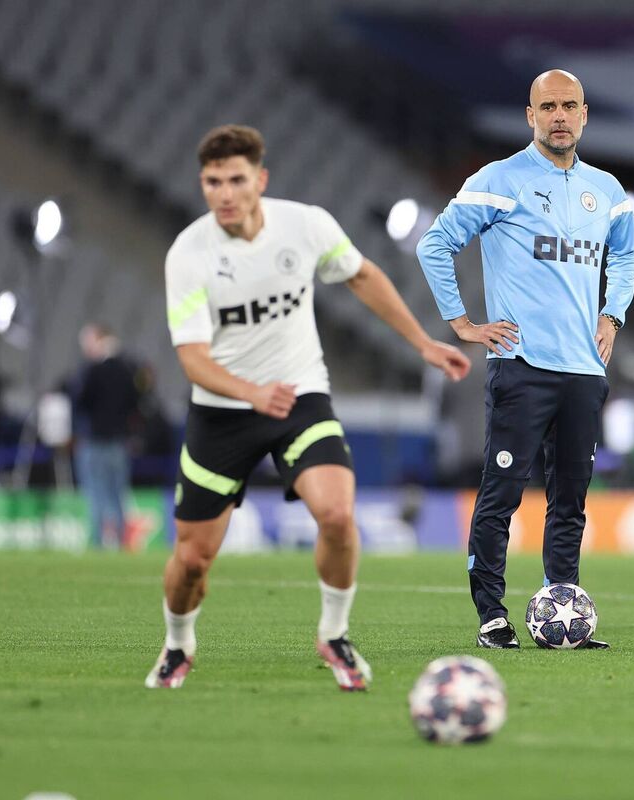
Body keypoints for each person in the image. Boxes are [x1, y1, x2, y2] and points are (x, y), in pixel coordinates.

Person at [148, 125, 470, 690]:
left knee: (339, 515)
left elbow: (363, 276)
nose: (224, 193)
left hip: (299, 396)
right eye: (212, 182)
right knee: (193, 560)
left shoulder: (306, 224)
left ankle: (335, 634)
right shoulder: (189, 255)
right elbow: (193, 360)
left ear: (261, 180)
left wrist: (421, 342)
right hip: (222, 413)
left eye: (236, 180)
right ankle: (178, 643)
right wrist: (250, 393)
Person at [417, 69, 634, 649]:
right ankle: (491, 615)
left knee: (571, 498)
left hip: (585, 372)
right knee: (503, 493)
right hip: (522, 367)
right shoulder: (499, 180)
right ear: (531, 115)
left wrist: (612, 314)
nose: (560, 116)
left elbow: (627, 253)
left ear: (585, 115)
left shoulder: (608, 191)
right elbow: (434, 243)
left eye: (570, 105)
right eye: (549, 107)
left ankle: (560, 606)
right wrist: (462, 323)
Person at [73, 323, 140, 549]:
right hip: (120, 441)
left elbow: (80, 400)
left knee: (96, 493)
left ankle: (97, 542)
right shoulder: (127, 369)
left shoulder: (93, 370)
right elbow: (136, 402)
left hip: (95, 440)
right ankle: (122, 542)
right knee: (118, 495)